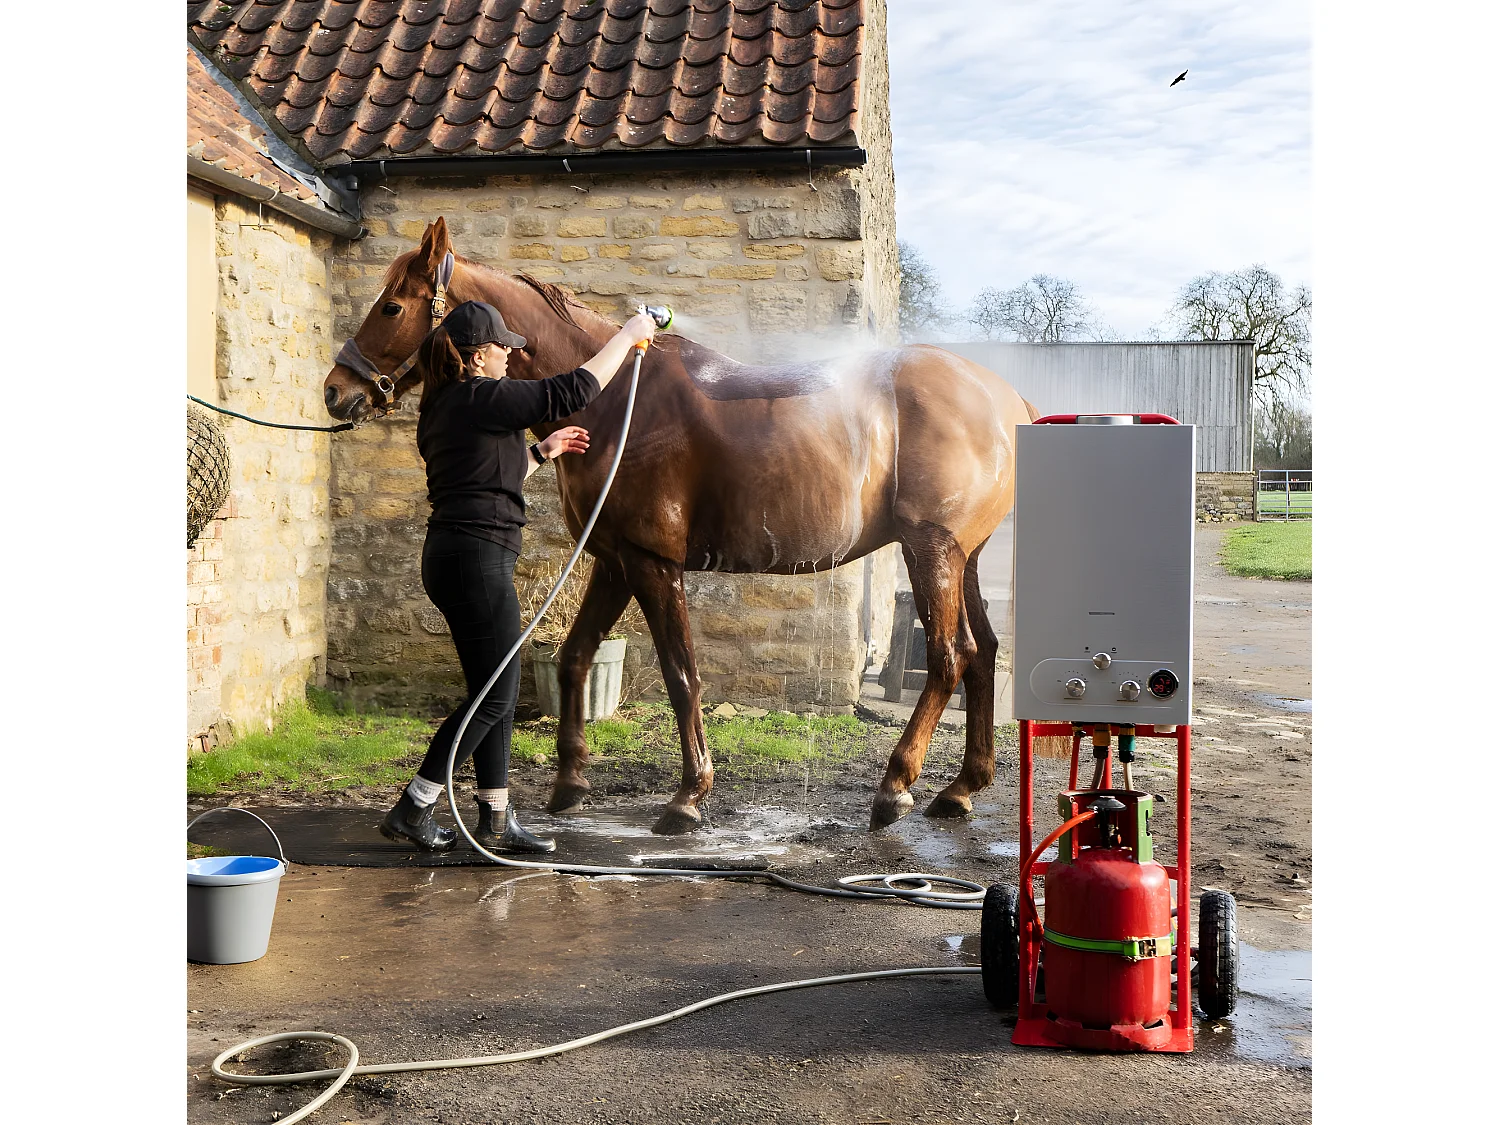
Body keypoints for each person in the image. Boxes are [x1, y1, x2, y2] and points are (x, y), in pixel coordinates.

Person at [380, 300, 659, 853]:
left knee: (491, 689)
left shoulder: (444, 407)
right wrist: (628, 336)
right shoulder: (482, 397)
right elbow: (572, 390)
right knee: (496, 696)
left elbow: (482, 477)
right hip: (477, 559)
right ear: (478, 355)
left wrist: (540, 451)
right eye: (502, 345)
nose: (511, 353)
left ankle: (495, 817)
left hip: (456, 556)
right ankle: (413, 807)